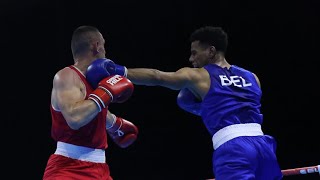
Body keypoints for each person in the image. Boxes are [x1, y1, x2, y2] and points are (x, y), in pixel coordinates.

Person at [90, 26, 283, 179]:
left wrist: (117, 70)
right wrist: (205, 109)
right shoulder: (253, 77)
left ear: (211, 51)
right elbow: (237, 106)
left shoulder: (200, 76)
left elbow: (158, 77)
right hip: (265, 147)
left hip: (234, 149)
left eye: (194, 52)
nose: (191, 59)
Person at [43, 25, 139, 180]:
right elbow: (75, 119)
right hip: (68, 169)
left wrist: (116, 124)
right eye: (104, 46)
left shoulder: (94, 83)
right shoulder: (66, 76)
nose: (106, 52)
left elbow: (93, 110)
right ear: (97, 46)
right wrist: (106, 92)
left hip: (100, 169)